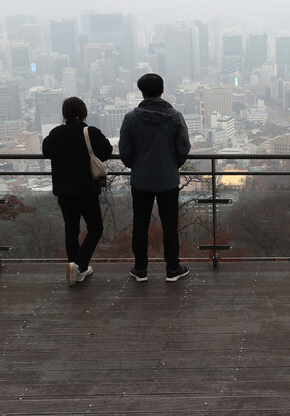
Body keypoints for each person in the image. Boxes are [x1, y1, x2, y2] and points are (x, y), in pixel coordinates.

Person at [119, 73, 192, 282]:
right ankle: (172, 268)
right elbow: (183, 148)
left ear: (142, 92)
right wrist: (171, 164)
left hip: (141, 180)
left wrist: (138, 165)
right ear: (162, 90)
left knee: (140, 224)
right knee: (170, 225)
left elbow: (125, 151)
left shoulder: (131, 118)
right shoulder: (175, 116)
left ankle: (140, 269)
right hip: (168, 179)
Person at [42, 96, 113, 286]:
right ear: (84, 113)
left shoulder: (55, 134)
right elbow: (107, 152)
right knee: (95, 228)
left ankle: (75, 268)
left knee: (71, 230)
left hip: (64, 192)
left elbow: (46, 151)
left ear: (64, 114)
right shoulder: (90, 132)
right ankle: (80, 265)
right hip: (87, 191)